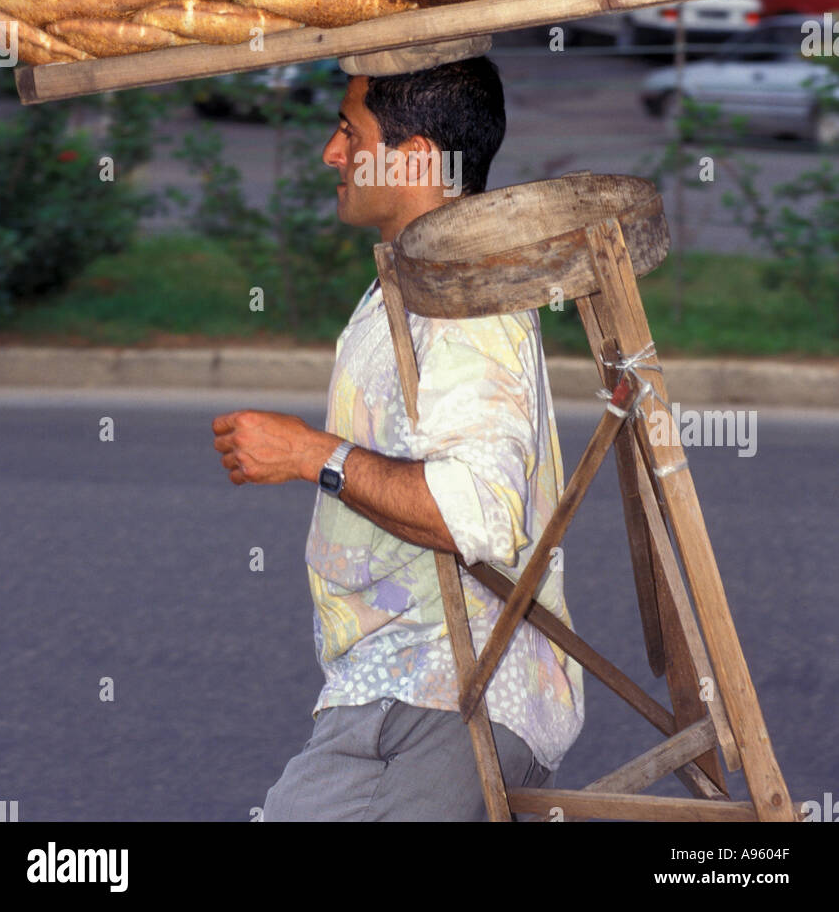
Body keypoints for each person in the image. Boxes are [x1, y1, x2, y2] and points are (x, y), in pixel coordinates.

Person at [212, 58, 584, 821]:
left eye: (350, 132)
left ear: (413, 157)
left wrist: (308, 454)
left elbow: (473, 514)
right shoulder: (421, 277)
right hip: (405, 687)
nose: (331, 153)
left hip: (443, 693)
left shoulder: (463, 303)